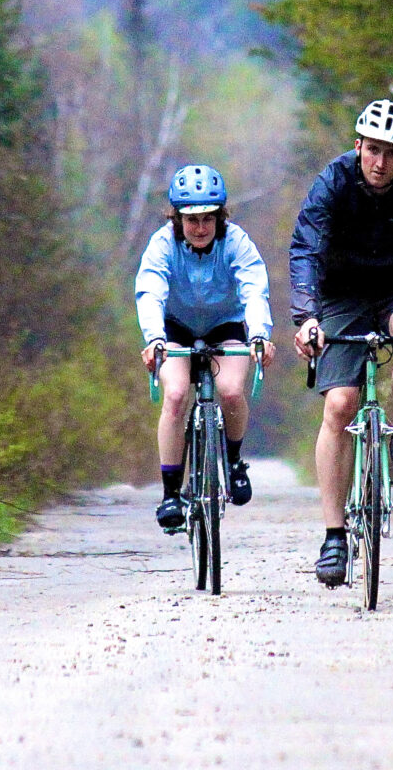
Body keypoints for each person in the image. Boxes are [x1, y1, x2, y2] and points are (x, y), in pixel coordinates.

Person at [290, 98, 393, 587]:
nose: (380, 163)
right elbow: (307, 248)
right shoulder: (333, 181)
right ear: (357, 145)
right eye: (372, 150)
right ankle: (334, 536)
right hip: (342, 292)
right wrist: (306, 318)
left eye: (392, 153)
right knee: (339, 405)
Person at [135, 164, 277, 531]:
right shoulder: (162, 244)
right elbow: (150, 290)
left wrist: (260, 334)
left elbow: (253, 288)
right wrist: (154, 338)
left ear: (220, 218)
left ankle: (232, 462)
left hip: (224, 326)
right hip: (174, 329)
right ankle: (170, 494)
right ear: (177, 218)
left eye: (208, 220)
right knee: (177, 394)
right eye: (191, 219)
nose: (199, 228)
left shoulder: (237, 242)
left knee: (230, 391)